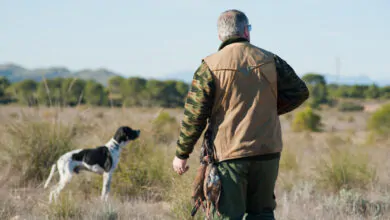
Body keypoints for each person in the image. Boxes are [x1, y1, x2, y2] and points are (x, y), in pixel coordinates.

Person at [172, 9, 309, 220]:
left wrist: (182, 154)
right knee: (262, 214)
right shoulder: (270, 60)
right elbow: (299, 92)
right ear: (246, 31)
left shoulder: (210, 66)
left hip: (230, 154)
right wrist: (268, 110)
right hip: (267, 151)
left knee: (228, 215)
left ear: (220, 36)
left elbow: (195, 116)